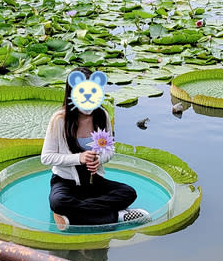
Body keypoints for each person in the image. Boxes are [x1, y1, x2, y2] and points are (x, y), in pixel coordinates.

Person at [41, 68, 151, 230]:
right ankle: (117, 217)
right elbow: (46, 157)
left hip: (94, 182)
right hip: (65, 182)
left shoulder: (102, 116)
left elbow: (109, 150)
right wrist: (79, 158)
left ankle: (72, 215)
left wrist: (99, 159)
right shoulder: (60, 120)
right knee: (58, 201)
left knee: (128, 193)